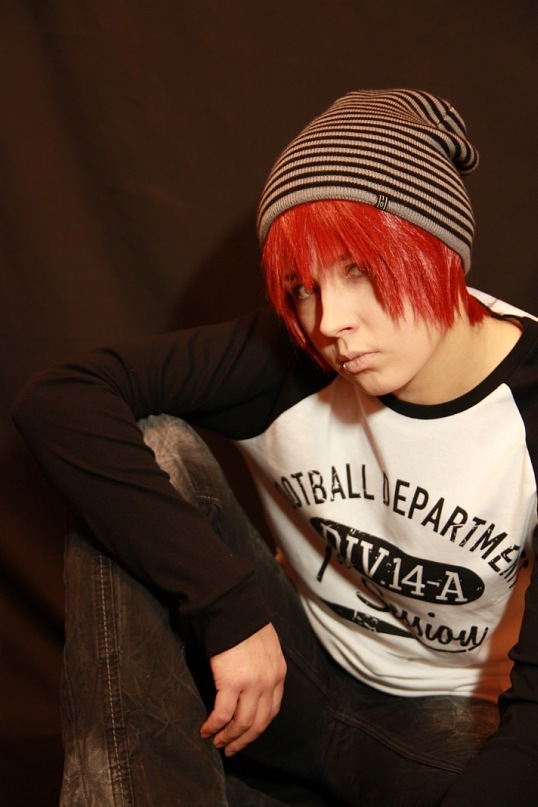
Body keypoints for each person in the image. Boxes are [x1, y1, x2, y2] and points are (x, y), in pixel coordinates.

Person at [12, 89, 538, 806]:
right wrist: (227, 604)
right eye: (303, 288)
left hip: (443, 728)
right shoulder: (292, 358)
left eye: (358, 270)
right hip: (285, 678)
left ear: (440, 250)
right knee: (155, 445)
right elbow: (62, 397)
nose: (329, 322)